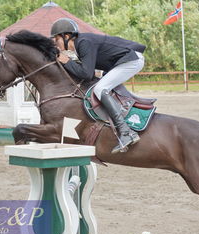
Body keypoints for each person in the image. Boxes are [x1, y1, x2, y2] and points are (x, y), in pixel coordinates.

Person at [51, 18, 146, 154]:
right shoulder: (80, 45)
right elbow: (91, 72)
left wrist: (67, 62)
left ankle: (126, 132)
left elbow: (86, 74)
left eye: (56, 39)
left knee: (100, 89)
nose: (55, 43)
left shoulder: (84, 42)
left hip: (131, 60)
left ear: (66, 36)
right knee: (101, 85)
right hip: (122, 61)